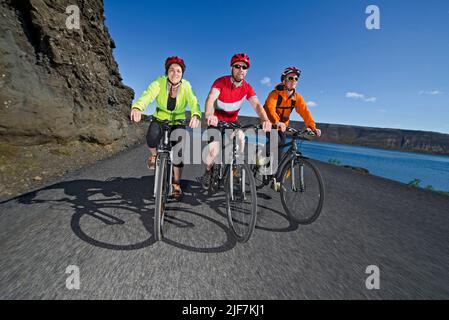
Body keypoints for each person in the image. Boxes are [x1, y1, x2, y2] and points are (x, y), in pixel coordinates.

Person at [130, 56, 202, 198]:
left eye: (178, 71)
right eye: (171, 70)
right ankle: (153, 154)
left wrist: (196, 115)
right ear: (167, 72)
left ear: (182, 74)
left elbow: (194, 101)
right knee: (151, 137)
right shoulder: (159, 82)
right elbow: (148, 95)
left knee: (179, 154)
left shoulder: (186, 86)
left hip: (179, 121)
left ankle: (176, 183)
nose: (175, 73)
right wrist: (138, 107)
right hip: (160, 118)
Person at [202, 53, 272, 188]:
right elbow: (210, 98)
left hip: (231, 123)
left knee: (240, 136)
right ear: (231, 68)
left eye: (244, 67)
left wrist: (265, 120)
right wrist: (209, 115)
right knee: (213, 152)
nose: (241, 69)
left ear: (247, 70)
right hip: (216, 121)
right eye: (237, 66)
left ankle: (236, 168)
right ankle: (208, 171)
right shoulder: (221, 82)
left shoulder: (247, 87)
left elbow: (257, 105)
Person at [264, 67, 322, 162]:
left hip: (283, 126)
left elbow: (305, 112)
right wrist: (276, 122)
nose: (294, 80)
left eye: (296, 78)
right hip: (269, 123)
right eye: (291, 78)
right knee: (277, 140)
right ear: (284, 81)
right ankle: (261, 156)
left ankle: (274, 173)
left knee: (281, 149)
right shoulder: (274, 94)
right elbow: (269, 108)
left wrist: (312, 127)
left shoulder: (297, 97)